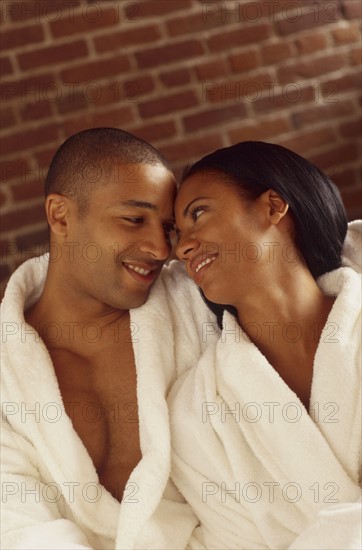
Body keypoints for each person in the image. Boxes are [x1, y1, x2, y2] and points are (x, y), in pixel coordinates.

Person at [1, 128, 214, 549]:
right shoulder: (9, 371)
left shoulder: (198, 303)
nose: (159, 248)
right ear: (61, 216)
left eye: (167, 228)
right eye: (134, 219)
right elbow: (17, 524)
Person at [169, 141, 361, 549]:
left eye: (198, 213)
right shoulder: (197, 412)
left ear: (273, 206)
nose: (182, 247)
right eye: (178, 235)